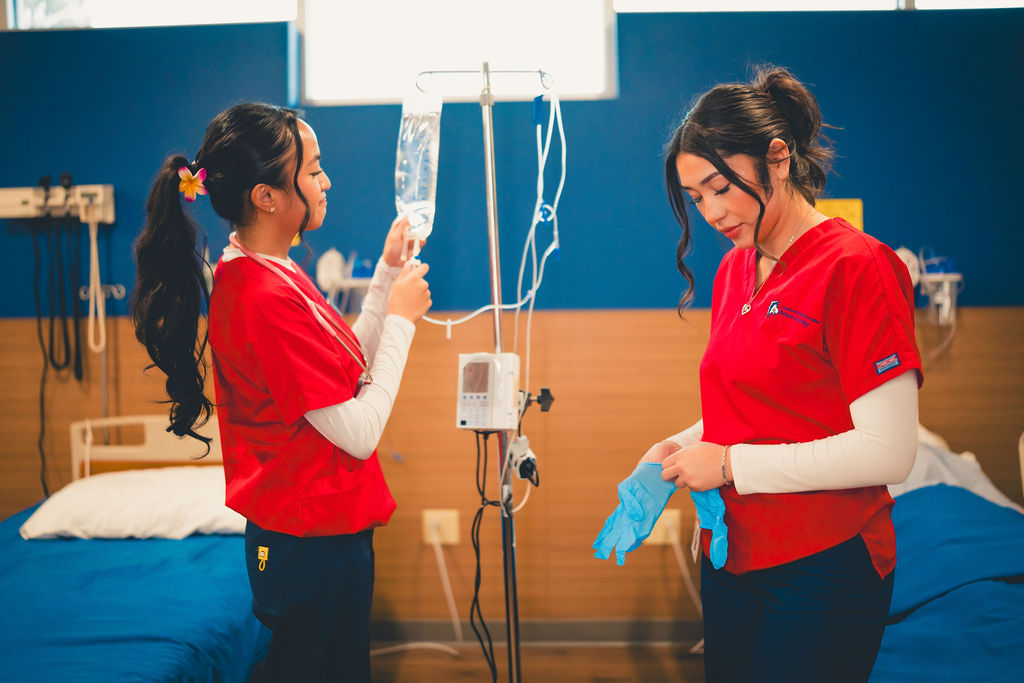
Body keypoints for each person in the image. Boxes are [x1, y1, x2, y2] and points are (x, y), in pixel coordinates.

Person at [595, 67, 922, 682]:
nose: (711, 212)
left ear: (777, 157)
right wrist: (679, 447)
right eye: (696, 198)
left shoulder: (857, 267)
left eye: (720, 187)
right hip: (734, 555)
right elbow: (758, 406)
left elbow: (889, 451)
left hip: (826, 565)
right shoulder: (735, 271)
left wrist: (727, 465)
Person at [131, 102, 432, 682]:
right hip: (306, 541)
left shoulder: (275, 271)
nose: (327, 182)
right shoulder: (259, 297)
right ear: (266, 195)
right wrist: (402, 323)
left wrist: (388, 276)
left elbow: (348, 367)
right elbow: (360, 432)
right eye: (314, 170)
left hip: (324, 531)